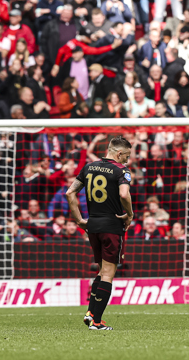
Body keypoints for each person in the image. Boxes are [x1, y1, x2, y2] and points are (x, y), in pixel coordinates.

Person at [66, 136, 133, 330]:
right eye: (127, 155)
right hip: (111, 226)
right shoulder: (121, 170)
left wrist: (79, 220)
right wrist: (130, 214)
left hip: (93, 225)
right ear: (119, 153)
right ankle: (96, 322)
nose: (127, 159)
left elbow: (70, 193)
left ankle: (91, 314)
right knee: (108, 274)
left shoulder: (89, 167)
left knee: (102, 271)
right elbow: (123, 194)